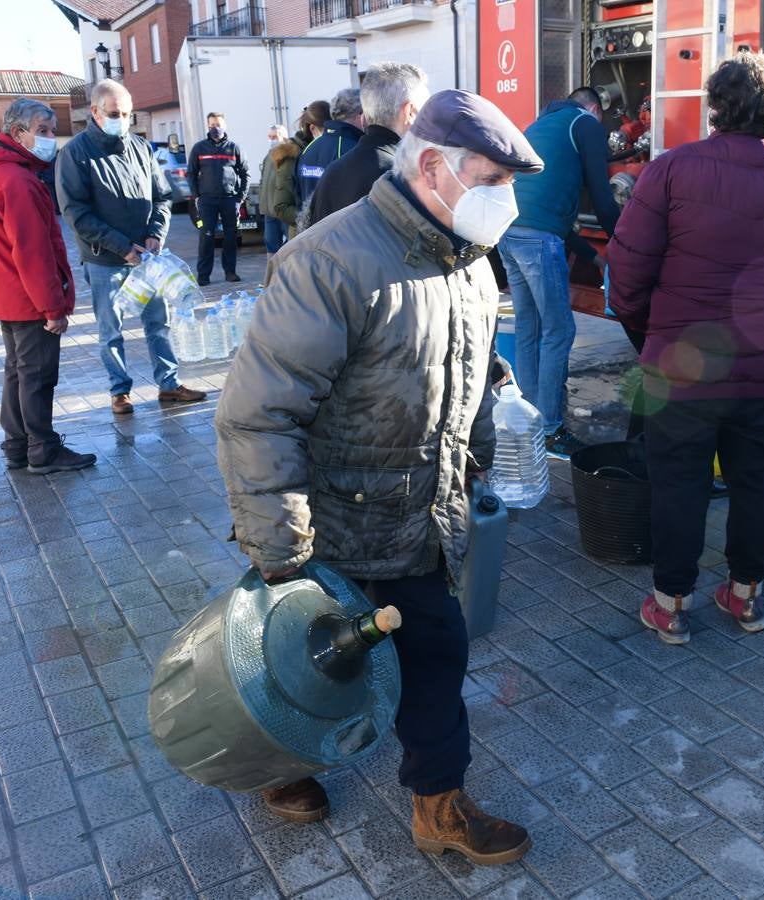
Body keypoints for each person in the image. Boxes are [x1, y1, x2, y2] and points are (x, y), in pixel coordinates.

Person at [214, 89, 543, 865]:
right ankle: (277, 767)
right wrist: (279, 547)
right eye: (492, 179)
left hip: (419, 518)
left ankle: (439, 806)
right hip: (328, 527)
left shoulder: (463, 256)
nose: (505, 200)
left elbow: (467, 370)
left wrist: (492, 444)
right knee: (302, 663)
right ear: (431, 165)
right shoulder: (329, 260)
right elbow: (260, 413)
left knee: (435, 658)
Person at [608, 53, 764, 644]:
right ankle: (745, 595)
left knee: (679, 481)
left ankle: (670, 603)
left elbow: (628, 268)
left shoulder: (671, 171)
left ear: (717, 106)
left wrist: (652, 331)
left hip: (682, 365)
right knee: (756, 479)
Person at [57, 79, 206, 415]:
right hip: (105, 260)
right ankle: (119, 391)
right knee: (111, 329)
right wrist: (122, 247)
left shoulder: (140, 147)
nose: (121, 119)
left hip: (147, 259)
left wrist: (156, 234)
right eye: (114, 113)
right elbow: (76, 213)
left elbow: (162, 197)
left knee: (159, 322)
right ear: (94, 112)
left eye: (126, 113)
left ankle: (168, 384)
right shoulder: (75, 154)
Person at [0, 98, 96, 475]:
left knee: (18, 371)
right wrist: (53, 308)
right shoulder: (16, 180)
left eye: (52, 131)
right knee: (37, 373)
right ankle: (42, 448)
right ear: (17, 132)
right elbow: (32, 251)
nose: (51, 138)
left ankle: (17, 445)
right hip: (27, 296)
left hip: (5, 292)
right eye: (42, 131)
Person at [498, 87, 622, 460]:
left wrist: (592, 256)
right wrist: (628, 244)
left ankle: (533, 419)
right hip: (537, 239)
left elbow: (544, 205)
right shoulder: (585, 123)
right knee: (559, 330)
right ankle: (550, 430)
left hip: (508, 230)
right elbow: (602, 199)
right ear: (596, 110)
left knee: (529, 327)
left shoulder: (540, 124)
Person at [308, 62, 429, 226]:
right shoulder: (403, 178)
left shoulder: (332, 172)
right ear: (410, 112)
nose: (429, 122)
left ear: (364, 117)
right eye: (425, 111)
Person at [187, 111, 250, 285]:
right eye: (213, 125)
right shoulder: (199, 148)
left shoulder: (234, 148)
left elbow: (245, 174)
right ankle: (203, 275)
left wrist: (240, 197)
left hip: (229, 200)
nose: (216, 128)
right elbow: (191, 173)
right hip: (207, 200)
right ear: (208, 126)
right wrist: (197, 195)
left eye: (219, 124)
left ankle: (230, 272)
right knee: (206, 237)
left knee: (230, 237)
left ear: (225, 125)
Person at [295, 87, 364, 220]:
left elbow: (298, 199)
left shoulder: (307, 150)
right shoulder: (353, 148)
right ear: (359, 115)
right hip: (341, 233)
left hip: (311, 233)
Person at [265, 100, 328, 241]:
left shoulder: (329, 149)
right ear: (312, 129)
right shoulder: (292, 155)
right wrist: (312, 219)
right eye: (326, 129)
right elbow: (282, 206)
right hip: (303, 235)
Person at [259, 123, 289, 257]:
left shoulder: (291, 156)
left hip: (284, 209)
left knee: (291, 244)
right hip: (269, 210)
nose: (271, 140)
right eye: (270, 137)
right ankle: (272, 275)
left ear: (284, 137)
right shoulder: (268, 156)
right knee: (271, 244)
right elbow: (263, 180)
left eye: (275, 136)